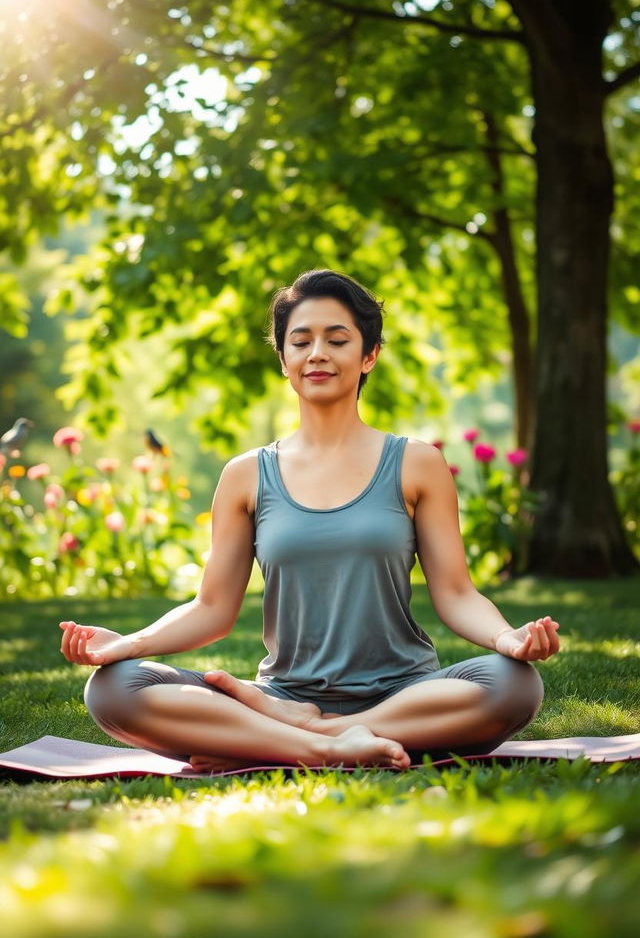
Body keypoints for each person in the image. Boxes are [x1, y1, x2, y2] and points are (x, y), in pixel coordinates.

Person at [60, 269, 559, 772]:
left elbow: (455, 594)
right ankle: (326, 749)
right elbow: (211, 608)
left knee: (514, 683)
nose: (317, 353)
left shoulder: (416, 463)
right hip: (283, 691)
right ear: (284, 360)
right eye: (301, 341)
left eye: (337, 340)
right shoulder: (246, 475)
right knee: (115, 689)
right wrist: (129, 644)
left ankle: (297, 735)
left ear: (369, 356)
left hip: (407, 694)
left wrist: (506, 638)